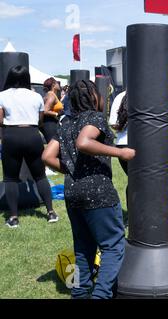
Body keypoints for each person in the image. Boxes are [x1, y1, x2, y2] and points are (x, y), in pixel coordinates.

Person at [42, 80, 135, 299]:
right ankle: (100, 295)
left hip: (72, 192)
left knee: (83, 250)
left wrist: (70, 168)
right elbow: (84, 143)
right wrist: (120, 153)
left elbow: (47, 156)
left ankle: (80, 293)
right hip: (98, 192)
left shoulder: (66, 123)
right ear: (93, 97)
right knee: (113, 246)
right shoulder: (94, 118)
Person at [0, 66, 58, 228]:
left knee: (10, 178)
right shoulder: (36, 96)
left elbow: (0, 120)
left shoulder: (2, 95)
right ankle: (51, 212)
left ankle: (13, 217)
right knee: (40, 175)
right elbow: (40, 121)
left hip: (11, 135)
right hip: (33, 135)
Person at [109, 91, 128, 175]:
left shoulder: (119, 96)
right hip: (140, 144)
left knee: (133, 180)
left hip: (122, 144)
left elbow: (113, 123)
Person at [41, 77, 64, 143]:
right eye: (57, 83)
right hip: (49, 124)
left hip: (51, 122)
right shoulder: (51, 95)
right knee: (53, 146)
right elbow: (45, 110)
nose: (58, 85)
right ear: (53, 85)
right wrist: (57, 114)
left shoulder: (50, 94)